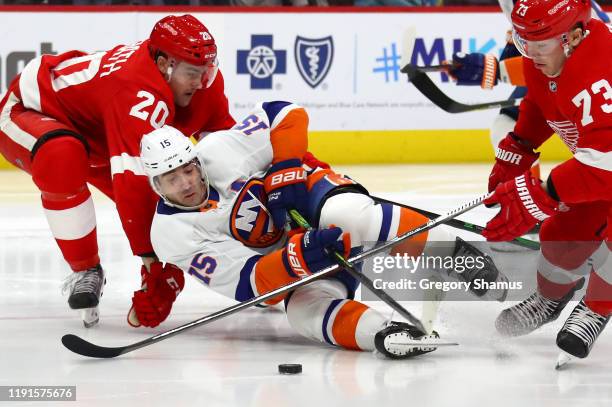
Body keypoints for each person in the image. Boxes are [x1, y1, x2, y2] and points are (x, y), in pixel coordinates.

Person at [133, 101, 508, 359]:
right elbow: (251, 285)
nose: (185, 182)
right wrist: (296, 257)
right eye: (171, 177)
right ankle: (385, 334)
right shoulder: (171, 235)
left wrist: (286, 169)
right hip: (293, 260)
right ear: (155, 187)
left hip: (313, 198)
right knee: (301, 312)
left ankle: (457, 255)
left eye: (187, 169)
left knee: (347, 214)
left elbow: (285, 113)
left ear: (197, 161)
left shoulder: (219, 149)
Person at [0, 14, 235, 327]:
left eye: (207, 71)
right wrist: (154, 267)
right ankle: (85, 270)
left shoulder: (200, 83)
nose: (201, 82)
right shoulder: (136, 90)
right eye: (193, 72)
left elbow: (226, 152)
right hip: (30, 113)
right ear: (165, 64)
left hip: (99, 135)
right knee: (62, 155)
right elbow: (135, 187)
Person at [482, 0, 611, 360]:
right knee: (560, 236)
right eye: (525, 43)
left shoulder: (600, 72)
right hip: (602, 169)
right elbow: (545, 100)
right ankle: (550, 298)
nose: (531, 54)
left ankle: (596, 308)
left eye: (540, 45)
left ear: (573, 37)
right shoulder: (549, 56)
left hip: (606, 167)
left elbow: (607, 162)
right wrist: (520, 144)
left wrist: (544, 191)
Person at [445, 0, 610, 195]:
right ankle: (527, 195)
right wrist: (494, 69)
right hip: (566, 66)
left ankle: (531, 200)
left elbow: (565, 57)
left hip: (592, 74)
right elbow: (535, 54)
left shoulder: (565, 16)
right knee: (507, 125)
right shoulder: (518, 7)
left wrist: (496, 71)